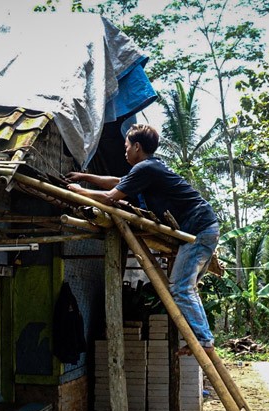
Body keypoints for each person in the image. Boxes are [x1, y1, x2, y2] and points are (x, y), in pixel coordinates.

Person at [66, 124, 220, 354]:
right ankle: (202, 338)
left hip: (197, 229)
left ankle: (204, 340)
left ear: (137, 147)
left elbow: (110, 197)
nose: (124, 151)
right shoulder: (149, 168)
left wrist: (79, 191)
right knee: (187, 288)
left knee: (180, 287)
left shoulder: (145, 169)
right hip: (204, 226)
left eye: (127, 147)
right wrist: (85, 176)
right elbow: (118, 182)